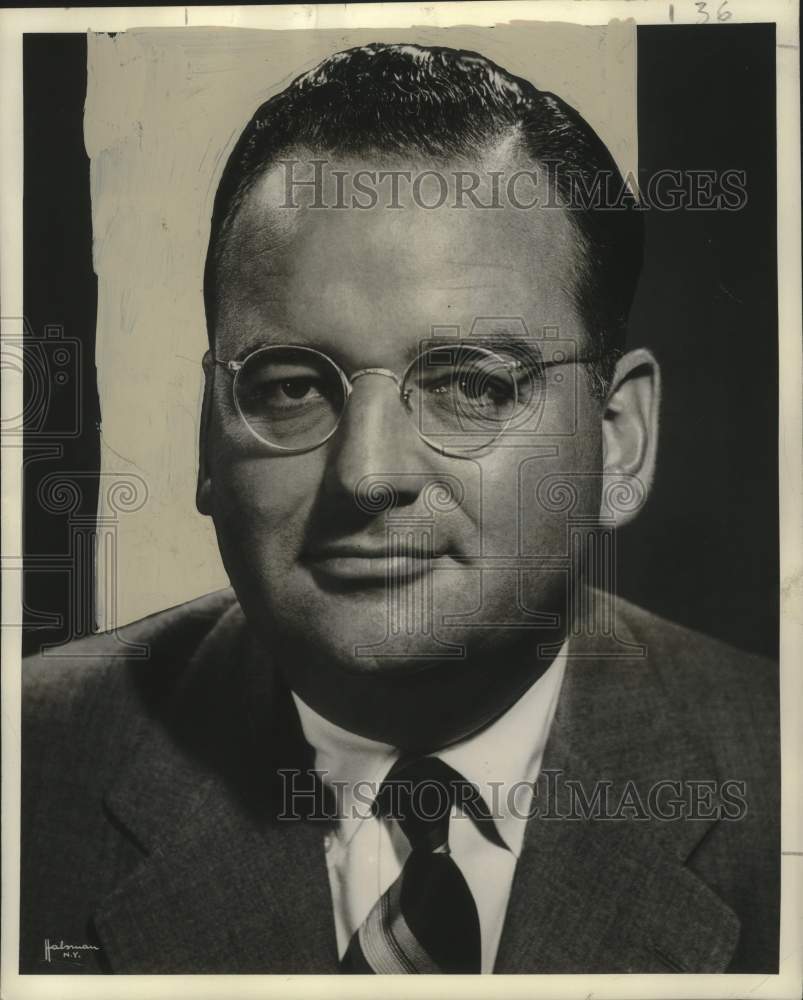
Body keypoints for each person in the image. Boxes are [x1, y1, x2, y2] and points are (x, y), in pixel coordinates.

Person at [20, 42, 779, 975]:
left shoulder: (778, 775)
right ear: (207, 439)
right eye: (293, 386)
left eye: (467, 384)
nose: (367, 472)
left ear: (618, 440)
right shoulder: (29, 771)